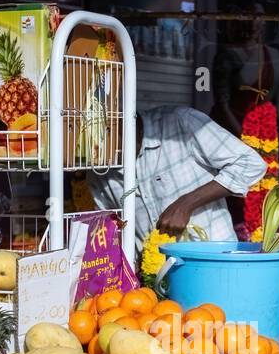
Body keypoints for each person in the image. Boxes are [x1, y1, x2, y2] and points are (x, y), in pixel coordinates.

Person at [87, 106, 266, 252]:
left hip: (215, 263)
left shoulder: (182, 122)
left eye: (104, 138)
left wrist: (186, 204)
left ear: (124, 121)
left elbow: (249, 163)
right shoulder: (99, 167)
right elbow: (113, 228)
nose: (100, 151)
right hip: (156, 280)